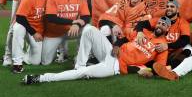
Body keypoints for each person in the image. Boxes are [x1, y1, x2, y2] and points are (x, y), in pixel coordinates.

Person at [22, 17, 172, 85]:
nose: (160, 25)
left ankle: (41, 78)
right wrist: (117, 45)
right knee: (89, 29)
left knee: (83, 74)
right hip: (111, 52)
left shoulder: (163, 47)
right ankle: (79, 65)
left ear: (167, 29)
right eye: (159, 22)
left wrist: (143, 71)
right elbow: (124, 38)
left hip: (115, 66)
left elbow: (157, 68)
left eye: (164, 24)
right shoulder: (143, 32)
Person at [41, 0, 91, 65]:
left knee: (87, 29)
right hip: (55, 33)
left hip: (71, 31)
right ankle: (61, 51)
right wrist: (73, 22)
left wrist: (77, 24)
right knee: (45, 61)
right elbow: (50, 18)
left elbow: (86, 17)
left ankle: (79, 56)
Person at [10, 0, 55, 73]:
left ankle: (25, 55)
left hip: (39, 31)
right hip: (28, 28)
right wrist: (34, 33)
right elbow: (20, 17)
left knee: (35, 61)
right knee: (18, 28)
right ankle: (17, 63)